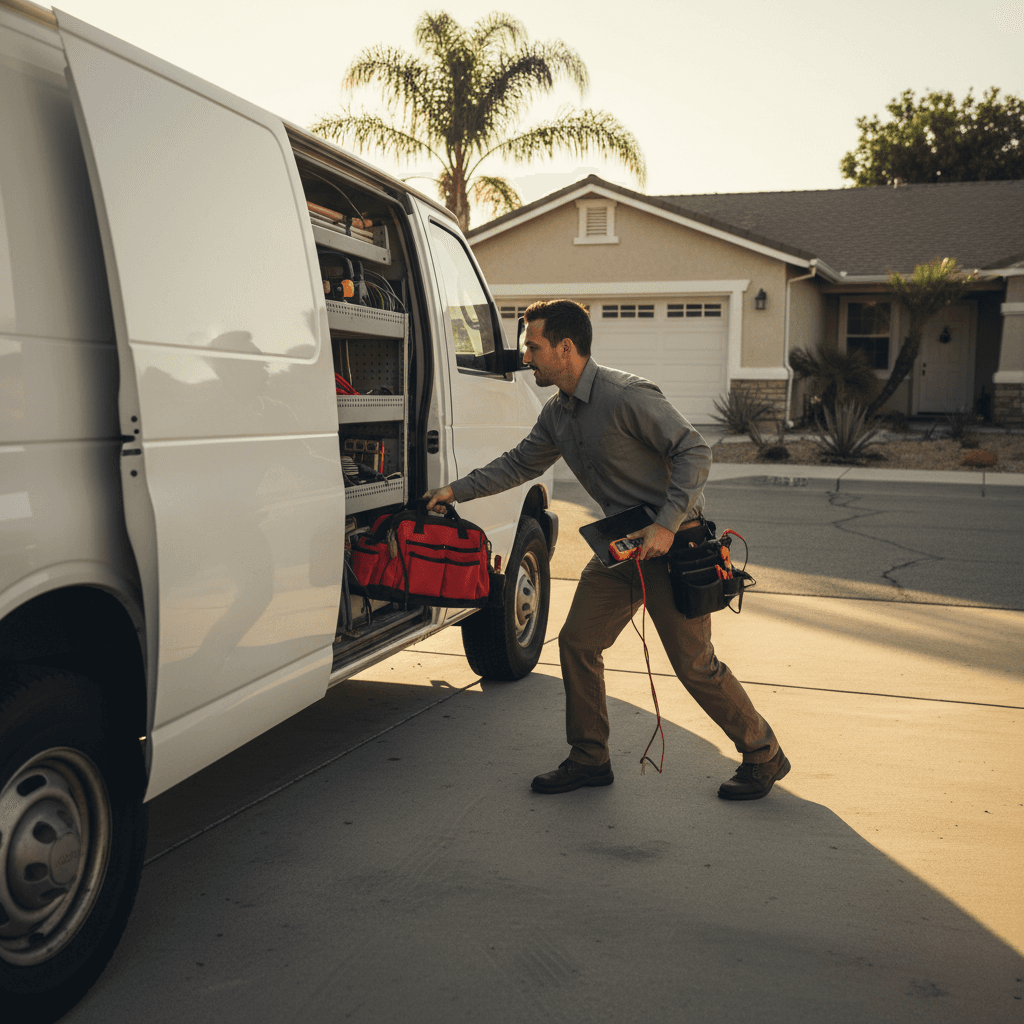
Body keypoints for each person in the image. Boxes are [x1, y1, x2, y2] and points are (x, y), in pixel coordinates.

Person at [424, 299, 789, 800]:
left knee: (694, 665)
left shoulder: (625, 397)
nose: (525, 356)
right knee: (578, 642)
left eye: (534, 346)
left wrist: (665, 526)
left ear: (565, 348)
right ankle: (590, 757)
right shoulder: (557, 413)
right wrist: (455, 491)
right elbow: (518, 464)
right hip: (621, 547)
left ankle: (763, 752)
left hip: (672, 545)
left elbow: (694, 451)